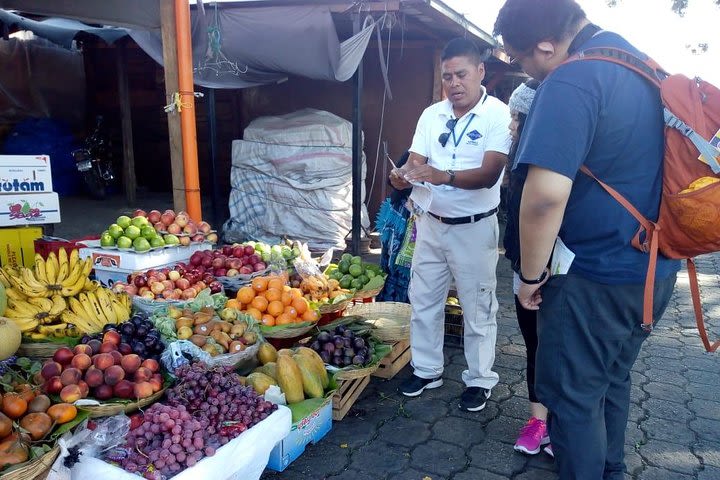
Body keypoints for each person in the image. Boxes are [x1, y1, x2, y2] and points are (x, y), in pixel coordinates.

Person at [494, 1, 680, 478]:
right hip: (651, 272)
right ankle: (610, 471)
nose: (528, 73)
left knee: (572, 401)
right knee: (610, 381)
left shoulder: (573, 78)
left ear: (545, 45)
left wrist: (530, 276)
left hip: (593, 279)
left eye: (523, 61)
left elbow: (544, 198)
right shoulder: (641, 65)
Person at [389, 37, 511, 412]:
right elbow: (415, 160)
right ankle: (426, 369)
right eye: (447, 77)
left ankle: (479, 379)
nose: (454, 83)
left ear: (480, 72)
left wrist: (445, 176)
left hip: (475, 227)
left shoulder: (499, 115)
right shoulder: (431, 115)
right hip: (430, 222)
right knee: (423, 300)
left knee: (478, 307)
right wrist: (402, 176)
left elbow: (490, 173)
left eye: (461, 74)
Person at [503, 79, 552, 456]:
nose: (511, 126)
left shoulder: (554, 160)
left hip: (559, 274)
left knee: (560, 349)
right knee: (534, 345)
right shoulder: (516, 160)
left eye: (517, 118)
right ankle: (538, 421)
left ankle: (563, 423)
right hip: (525, 270)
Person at [376, 151, 413, 303]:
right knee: (392, 265)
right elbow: (391, 180)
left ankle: (406, 311)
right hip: (402, 217)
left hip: (421, 219)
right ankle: (388, 308)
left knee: (412, 271)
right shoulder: (413, 154)